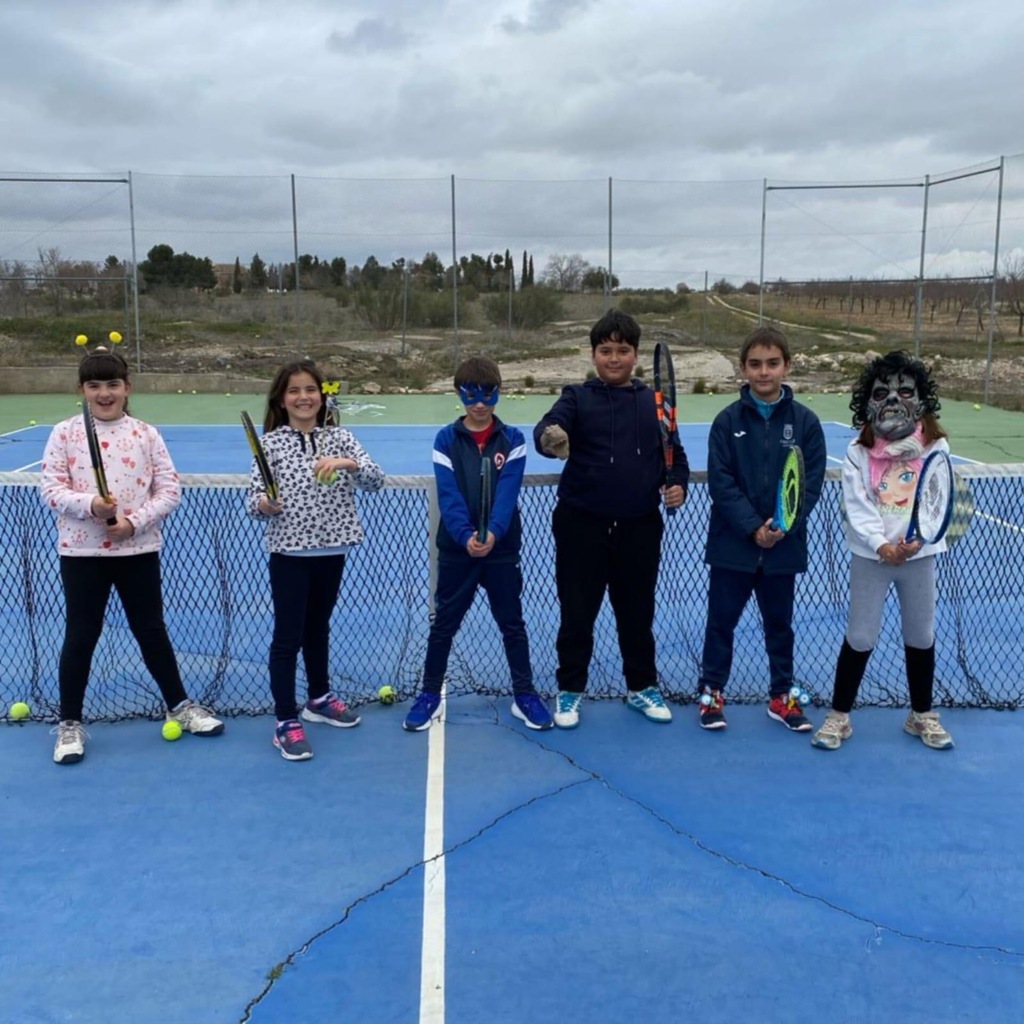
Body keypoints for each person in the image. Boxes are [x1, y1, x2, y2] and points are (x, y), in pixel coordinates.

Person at [40, 345, 224, 765]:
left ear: (127, 387)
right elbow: (51, 490)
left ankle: (180, 704)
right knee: (82, 634)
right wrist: (91, 505)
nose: (104, 393)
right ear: (81, 390)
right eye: (94, 385)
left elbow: (169, 490)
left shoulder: (146, 433)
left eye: (113, 384)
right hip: (82, 552)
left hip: (138, 549)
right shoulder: (64, 433)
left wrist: (132, 523)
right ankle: (70, 724)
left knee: (151, 629)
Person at [533, 309, 688, 729]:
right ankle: (569, 691)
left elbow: (675, 455)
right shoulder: (575, 396)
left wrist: (677, 484)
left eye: (622, 350)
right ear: (593, 353)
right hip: (580, 524)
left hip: (640, 526)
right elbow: (547, 428)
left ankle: (642, 688)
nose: (614, 358)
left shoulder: (655, 403)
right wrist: (552, 438)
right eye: (606, 350)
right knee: (577, 613)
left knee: (637, 614)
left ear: (635, 355)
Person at [812, 351, 954, 751]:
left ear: (922, 399)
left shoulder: (937, 447)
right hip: (871, 558)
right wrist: (882, 544)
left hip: (919, 558)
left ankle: (921, 715)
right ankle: (839, 716)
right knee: (860, 635)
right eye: (881, 393)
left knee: (920, 633)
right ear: (867, 402)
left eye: (905, 391)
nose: (893, 400)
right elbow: (857, 504)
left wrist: (917, 541)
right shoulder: (857, 453)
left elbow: (936, 498)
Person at [403, 356, 552, 732]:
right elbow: (448, 496)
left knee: (512, 624)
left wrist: (492, 533)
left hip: (500, 552)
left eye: (489, 394)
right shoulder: (445, 440)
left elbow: (507, 492)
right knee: (443, 626)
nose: (481, 403)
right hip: (457, 551)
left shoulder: (514, 440)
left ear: (500, 393)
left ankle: (525, 695)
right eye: (472, 395)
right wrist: (467, 535)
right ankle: (429, 694)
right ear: (459, 394)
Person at [248, 360, 384, 760]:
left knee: (318, 627)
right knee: (288, 636)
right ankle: (286, 720)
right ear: (281, 399)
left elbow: (376, 479)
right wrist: (266, 504)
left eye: (310, 390)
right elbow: (253, 502)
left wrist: (347, 463)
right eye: (294, 391)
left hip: (334, 549)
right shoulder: (270, 444)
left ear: (322, 396)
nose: (303, 397)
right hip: (289, 552)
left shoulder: (341, 437)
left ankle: (319, 698)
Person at [697, 325, 826, 732]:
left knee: (780, 627)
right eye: (755, 364)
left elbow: (810, 483)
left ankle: (781, 698)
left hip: (782, 549)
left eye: (772, 363)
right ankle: (711, 695)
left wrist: (782, 527)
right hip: (732, 546)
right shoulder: (726, 421)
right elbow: (721, 482)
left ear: (787, 366)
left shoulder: (805, 423)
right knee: (720, 624)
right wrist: (754, 527)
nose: (764, 372)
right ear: (743, 368)